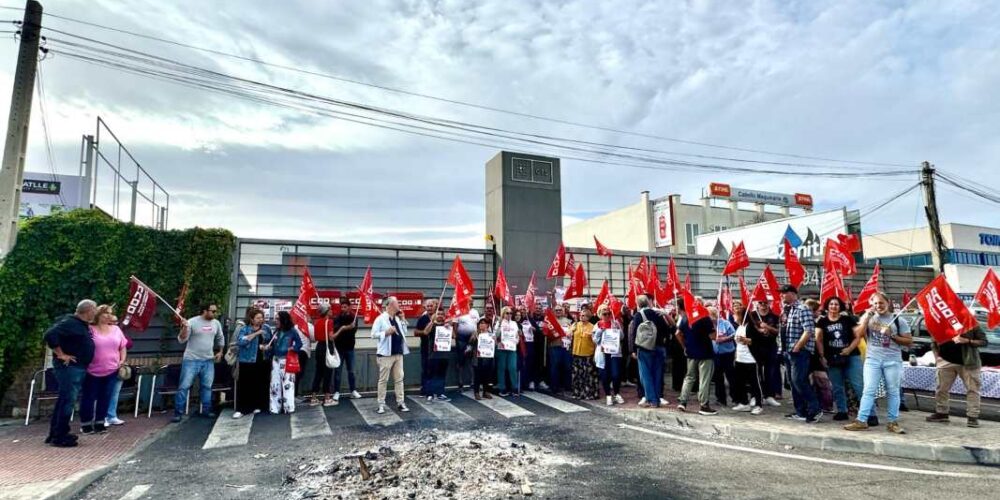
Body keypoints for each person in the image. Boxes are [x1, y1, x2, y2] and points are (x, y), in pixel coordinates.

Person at [844, 292, 912, 434]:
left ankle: (892, 422)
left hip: (892, 361)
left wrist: (892, 335)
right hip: (872, 360)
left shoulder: (899, 320)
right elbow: (858, 334)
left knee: (893, 392)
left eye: (881, 303)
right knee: (868, 390)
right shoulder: (869, 318)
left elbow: (908, 341)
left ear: (888, 303)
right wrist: (866, 317)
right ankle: (861, 420)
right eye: (875, 303)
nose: (878, 306)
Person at [44, 299, 98, 447]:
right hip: (69, 368)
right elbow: (50, 334)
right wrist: (61, 354)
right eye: (94, 310)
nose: (96, 313)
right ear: (88, 310)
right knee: (68, 400)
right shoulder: (70, 323)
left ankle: (55, 432)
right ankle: (60, 436)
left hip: (77, 367)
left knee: (64, 399)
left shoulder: (79, 325)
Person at [926, 325, 988, 428]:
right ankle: (942, 413)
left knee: (973, 389)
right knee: (941, 388)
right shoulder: (941, 322)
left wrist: (968, 341)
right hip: (945, 360)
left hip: (969, 362)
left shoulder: (971, 323)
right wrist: (937, 357)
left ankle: (972, 417)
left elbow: (984, 341)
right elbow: (933, 341)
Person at [79, 304, 128, 434]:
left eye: (110, 313)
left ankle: (100, 422)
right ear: (98, 315)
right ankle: (86, 424)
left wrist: (122, 360)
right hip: (92, 369)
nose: (109, 316)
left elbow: (123, 346)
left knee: (105, 396)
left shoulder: (116, 329)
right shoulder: (90, 329)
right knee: (89, 397)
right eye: (106, 313)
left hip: (111, 369)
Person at [172, 304, 224, 423]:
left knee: (207, 387)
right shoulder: (192, 322)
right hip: (191, 360)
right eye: (213, 311)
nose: (215, 313)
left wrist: (220, 351)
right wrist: (184, 328)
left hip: (208, 360)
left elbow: (220, 337)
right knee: (184, 386)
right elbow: (182, 339)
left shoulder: (216, 323)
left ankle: (206, 410)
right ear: (205, 311)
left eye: (216, 311)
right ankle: (178, 413)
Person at [778, 285, 821, 424]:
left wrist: (798, 346)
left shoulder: (803, 309)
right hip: (787, 351)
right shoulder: (786, 310)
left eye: (784, 293)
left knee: (799, 380)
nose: (782, 296)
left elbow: (809, 330)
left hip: (799, 352)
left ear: (792, 293)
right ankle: (800, 411)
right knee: (792, 382)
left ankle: (815, 409)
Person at [815, 297, 861, 421]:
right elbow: (818, 339)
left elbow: (858, 336)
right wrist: (822, 356)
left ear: (840, 306)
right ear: (827, 306)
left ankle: (869, 413)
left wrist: (849, 349)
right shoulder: (822, 321)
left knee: (858, 385)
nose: (834, 306)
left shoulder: (848, 319)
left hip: (851, 356)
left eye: (836, 304)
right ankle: (842, 411)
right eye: (831, 304)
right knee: (837, 386)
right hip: (832, 357)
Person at [630, 295, 674, 408]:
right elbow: (667, 329)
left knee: (646, 374)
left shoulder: (638, 315)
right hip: (659, 347)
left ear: (638, 304)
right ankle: (658, 398)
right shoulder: (657, 314)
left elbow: (634, 333)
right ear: (649, 303)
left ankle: (652, 400)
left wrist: (634, 350)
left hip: (644, 348)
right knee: (658, 374)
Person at [676, 298, 717, 415]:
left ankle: (682, 402)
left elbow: (677, 334)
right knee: (704, 379)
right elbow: (713, 337)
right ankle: (704, 405)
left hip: (691, 352)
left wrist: (684, 346)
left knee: (689, 377)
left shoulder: (685, 318)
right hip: (705, 353)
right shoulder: (705, 317)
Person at [371, 297, 410, 415]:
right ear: (390, 305)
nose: (399, 305)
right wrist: (386, 333)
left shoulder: (397, 319)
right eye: (397, 303)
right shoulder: (380, 319)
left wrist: (403, 320)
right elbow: (373, 334)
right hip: (385, 354)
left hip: (398, 353)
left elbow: (405, 333)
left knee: (399, 379)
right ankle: (381, 404)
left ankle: (400, 402)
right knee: (383, 380)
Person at [233, 307, 273, 418]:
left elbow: (270, 342)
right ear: (251, 319)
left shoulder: (266, 328)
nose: (260, 320)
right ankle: (242, 409)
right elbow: (240, 341)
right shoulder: (245, 329)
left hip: (262, 360)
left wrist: (266, 347)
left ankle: (258, 406)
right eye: (258, 318)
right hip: (247, 360)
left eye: (262, 317)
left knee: (260, 383)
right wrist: (255, 334)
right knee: (245, 384)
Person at [267, 311, 303, 414]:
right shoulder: (276, 332)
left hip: (287, 359)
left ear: (284, 320)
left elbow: (299, 343)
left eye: (278, 319)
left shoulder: (292, 331)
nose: (276, 321)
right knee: (275, 384)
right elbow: (272, 344)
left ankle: (289, 407)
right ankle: (275, 407)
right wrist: (269, 348)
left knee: (288, 384)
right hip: (276, 360)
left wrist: (293, 348)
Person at [746, 300, 781, 407]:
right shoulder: (751, 315)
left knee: (770, 372)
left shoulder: (774, 316)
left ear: (769, 304)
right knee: (756, 373)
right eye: (761, 303)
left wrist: (768, 327)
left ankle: (769, 396)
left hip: (770, 347)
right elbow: (747, 330)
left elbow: (777, 331)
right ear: (757, 304)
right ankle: (755, 396)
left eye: (765, 303)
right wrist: (759, 330)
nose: (763, 305)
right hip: (755, 347)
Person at [732, 302, 764, 415]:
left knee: (755, 383)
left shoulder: (750, 327)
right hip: (740, 359)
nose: (733, 317)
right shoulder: (739, 327)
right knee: (740, 382)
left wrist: (748, 341)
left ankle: (759, 404)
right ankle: (744, 403)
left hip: (750, 359)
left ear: (741, 316)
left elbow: (759, 340)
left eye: (735, 315)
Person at [805, 298, 834, 414]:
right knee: (816, 382)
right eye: (817, 311)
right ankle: (820, 404)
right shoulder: (811, 323)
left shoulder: (820, 322)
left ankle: (827, 405)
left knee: (823, 382)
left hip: (818, 355)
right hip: (813, 355)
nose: (819, 313)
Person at [593, 305, 625, 406]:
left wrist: (617, 330)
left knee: (616, 375)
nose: (607, 315)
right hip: (602, 354)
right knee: (604, 375)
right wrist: (600, 331)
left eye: (608, 313)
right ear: (600, 315)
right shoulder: (597, 325)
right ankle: (608, 395)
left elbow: (622, 337)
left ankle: (616, 393)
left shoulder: (615, 323)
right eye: (604, 314)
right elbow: (595, 340)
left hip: (614, 354)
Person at [332, 296, 362, 401]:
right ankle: (336, 392)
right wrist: (345, 327)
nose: (343, 308)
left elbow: (353, 331)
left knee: (351, 371)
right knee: (338, 371)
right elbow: (336, 329)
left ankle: (353, 390)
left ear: (349, 307)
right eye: (342, 307)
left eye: (345, 307)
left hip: (350, 347)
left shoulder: (354, 317)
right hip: (339, 348)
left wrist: (347, 328)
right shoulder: (337, 317)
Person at [104, 313, 130, 427]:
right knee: (103, 392)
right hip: (103, 367)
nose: (114, 324)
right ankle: (101, 416)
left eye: (116, 322)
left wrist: (122, 360)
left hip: (117, 365)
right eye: (111, 322)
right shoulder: (100, 332)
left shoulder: (117, 331)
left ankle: (111, 415)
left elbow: (126, 345)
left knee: (115, 392)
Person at [710, 306, 738, 408]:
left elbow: (734, 335)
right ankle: (721, 399)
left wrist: (724, 339)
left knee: (730, 375)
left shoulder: (725, 323)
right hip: (715, 354)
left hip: (727, 353)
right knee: (718, 377)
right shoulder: (709, 325)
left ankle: (735, 397)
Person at [308, 304, 335, 406]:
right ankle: (327, 397)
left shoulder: (317, 322)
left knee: (318, 372)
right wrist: (342, 329)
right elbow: (331, 337)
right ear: (326, 311)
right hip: (328, 347)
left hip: (319, 347)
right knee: (328, 372)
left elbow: (315, 337)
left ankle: (313, 397)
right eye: (330, 309)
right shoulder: (330, 322)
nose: (331, 311)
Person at [569, 308, 599, 400]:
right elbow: (568, 335)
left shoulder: (592, 326)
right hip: (576, 353)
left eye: (584, 315)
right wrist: (571, 331)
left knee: (588, 376)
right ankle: (577, 393)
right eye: (581, 315)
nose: (582, 317)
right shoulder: (575, 325)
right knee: (577, 375)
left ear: (588, 317)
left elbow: (595, 341)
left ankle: (589, 394)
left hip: (588, 354)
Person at [544, 305, 573, 395]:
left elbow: (573, 332)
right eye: (556, 310)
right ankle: (554, 387)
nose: (558, 311)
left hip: (566, 347)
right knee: (554, 367)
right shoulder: (550, 322)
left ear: (563, 311)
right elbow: (546, 333)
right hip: (554, 346)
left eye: (560, 310)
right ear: (553, 311)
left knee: (568, 367)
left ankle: (567, 386)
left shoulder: (569, 321)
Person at [427, 308, 454, 401]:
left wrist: (450, 326)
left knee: (441, 375)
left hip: (444, 355)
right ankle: (430, 393)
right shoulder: (432, 325)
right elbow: (425, 332)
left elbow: (454, 336)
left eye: (442, 314)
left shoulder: (446, 326)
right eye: (438, 314)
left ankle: (440, 393)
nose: (440, 316)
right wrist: (431, 321)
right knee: (432, 375)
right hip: (433, 355)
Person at [452, 307, 480, 391]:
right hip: (461, 339)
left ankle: (473, 382)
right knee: (461, 361)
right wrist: (456, 338)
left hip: (473, 338)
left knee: (473, 360)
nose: (471, 303)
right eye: (469, 301)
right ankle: (460, 383)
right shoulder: (458, 311)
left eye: (472, 301)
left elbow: (478, 325)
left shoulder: (475, 311)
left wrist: (475, 333)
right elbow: (455, 325)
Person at [496, 307, 521, 396]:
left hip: (512, 348)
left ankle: (514, 388)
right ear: (503, 314)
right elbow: (496, 335)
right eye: (507, 313)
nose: (509, 315)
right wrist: (499, 326)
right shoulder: (499, 323)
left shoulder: (514, 323)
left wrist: (516, 342)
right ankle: (502, 388)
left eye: (510, 313)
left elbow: (517, 336)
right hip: (502, 348)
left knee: (512, 368)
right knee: (501, 368)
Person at [414, 299, 437, 397]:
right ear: (425, 307)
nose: (429, 308)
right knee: (425, 369)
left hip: (437, 349)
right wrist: (423, 332)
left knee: (435, 370)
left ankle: (434, 390)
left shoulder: (439, 317)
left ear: (435, 306)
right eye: (428, 306)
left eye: (431, 306)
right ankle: (424, 390)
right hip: (425, 348)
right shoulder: (422, 318)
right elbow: (415, 332)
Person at [469, 317, 496, 400]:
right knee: (477, 376)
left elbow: (494, 346)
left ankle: (486, 392)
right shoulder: (475, 333)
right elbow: (470, 342)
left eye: (484, 323)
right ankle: (476, 392)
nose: (482, 325)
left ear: (487, 325)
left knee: (487, 376)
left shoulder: (491, 334)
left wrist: (494, 340)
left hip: (487, 358)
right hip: (477, 358)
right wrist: (474, 337)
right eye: (480, 323)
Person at [524, 305, 546, 390]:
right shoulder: (530, 319)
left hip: (542, 344)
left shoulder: (545, 319)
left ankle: (540, 381)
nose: (538, 310)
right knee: (531, 363)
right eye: (536, 308)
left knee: (541, 363)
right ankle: (531, 381)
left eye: (540, 308)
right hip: (532, 344)